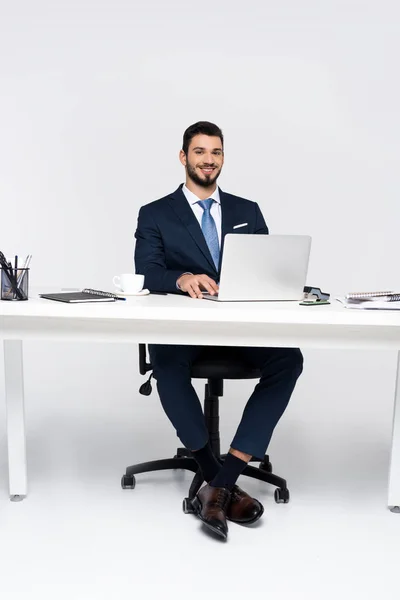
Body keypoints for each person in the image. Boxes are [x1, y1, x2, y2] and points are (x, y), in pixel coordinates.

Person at [134, 121, 303, 540]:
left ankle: (218, 483)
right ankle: (218, 478)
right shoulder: (155, 213)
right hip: (186, 326)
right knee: (166, 360)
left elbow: (266, 268)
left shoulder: (248, 210)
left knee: (289, 359)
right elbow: (147, 271)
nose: (208, 160)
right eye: (200, 152)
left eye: (216, 152)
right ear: (183, 157)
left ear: (222, 158)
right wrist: (180, 278)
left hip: (240, 326)